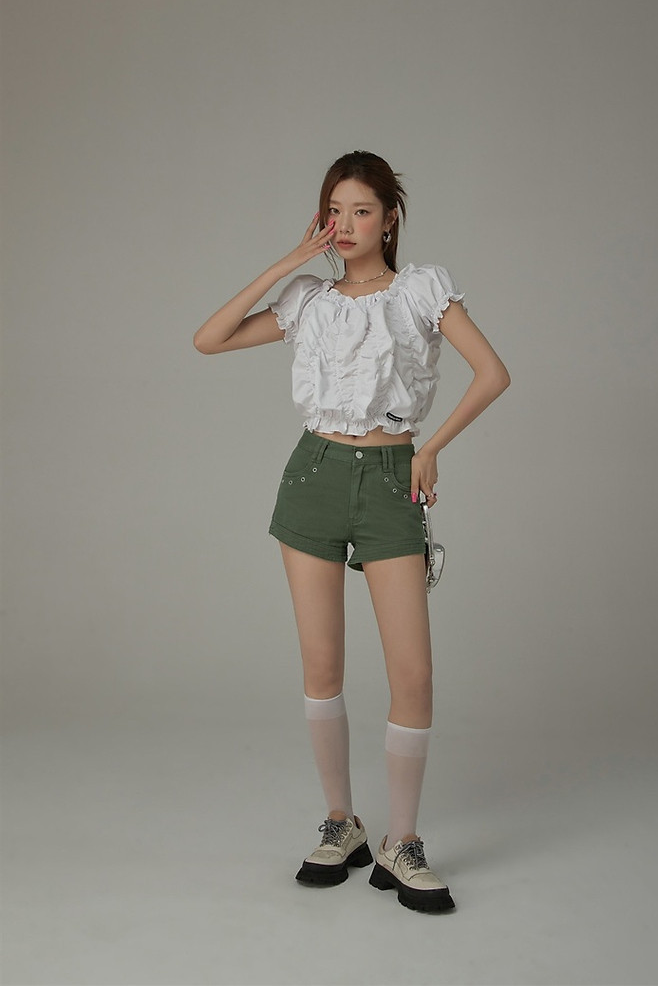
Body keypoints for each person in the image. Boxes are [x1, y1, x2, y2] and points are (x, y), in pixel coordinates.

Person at [193, 150, 510, 914]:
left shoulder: (420, 290)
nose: (345, 224)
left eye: (361, 210)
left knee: (413, 674)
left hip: (392, 476)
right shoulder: (309, 299)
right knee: (322, 665)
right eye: (333, 211)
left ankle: (403, 841)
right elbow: (209, 338)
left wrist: (430, 448)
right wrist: (291, 259)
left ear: (390, 218)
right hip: (313, 475)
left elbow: (493, 373)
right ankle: (342, 823)